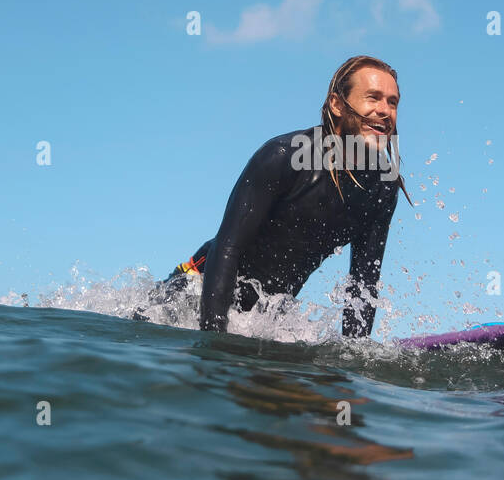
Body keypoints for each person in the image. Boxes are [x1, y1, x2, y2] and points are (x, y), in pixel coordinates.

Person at [162, 55, 412, 339]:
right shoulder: (283, 156)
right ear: (337, 104)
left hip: (263, 319)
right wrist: (215, 342)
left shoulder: (382, 187)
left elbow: (363, 282)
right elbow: (227, 247)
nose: (385, 111)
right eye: (373, 98)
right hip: (196, 293)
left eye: (392, 102)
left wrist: (352, 364)